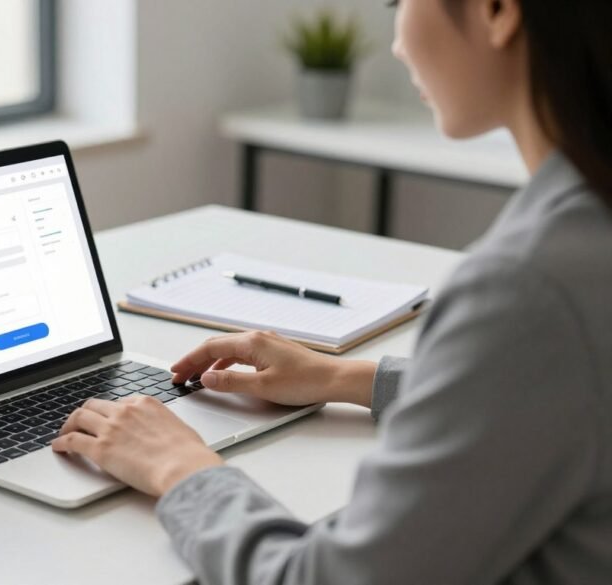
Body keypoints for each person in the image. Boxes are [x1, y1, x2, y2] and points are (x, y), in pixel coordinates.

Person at [51, 0, 612, 582]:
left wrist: (179, 467)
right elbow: (551, 388)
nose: (397, 45)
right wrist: (345, 378)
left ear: (497, 10)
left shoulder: (527, 289)